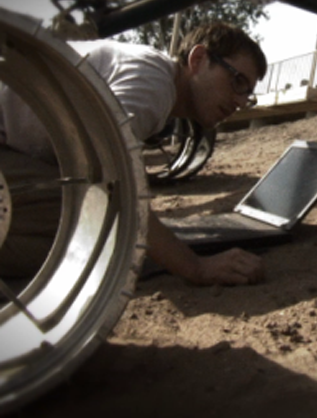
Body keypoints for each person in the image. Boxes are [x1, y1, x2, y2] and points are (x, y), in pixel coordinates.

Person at [0, 22, 266, 286]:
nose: (241, 102)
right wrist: (196, 267)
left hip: (12, 152)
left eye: (248, 94)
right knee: (97, 233)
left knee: (101, 241)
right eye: (237, 81)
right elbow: (113, 184)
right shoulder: (153, 85)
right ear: (198, 59)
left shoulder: (153, 78)